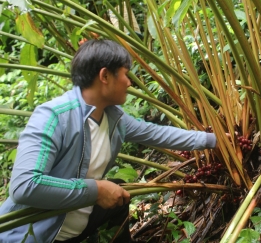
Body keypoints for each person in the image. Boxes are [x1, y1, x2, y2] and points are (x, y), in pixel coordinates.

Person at [0, 39, 217, 243]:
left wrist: (215, 140)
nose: (129, 82)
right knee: (109, 189)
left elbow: (157, 134)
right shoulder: (54, 117)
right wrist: (96, 190)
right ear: (105, 76)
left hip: (74, 227)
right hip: (35, 236)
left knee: (118, 193)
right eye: (125, 74)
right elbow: (25, 186)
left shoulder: (114, 118)